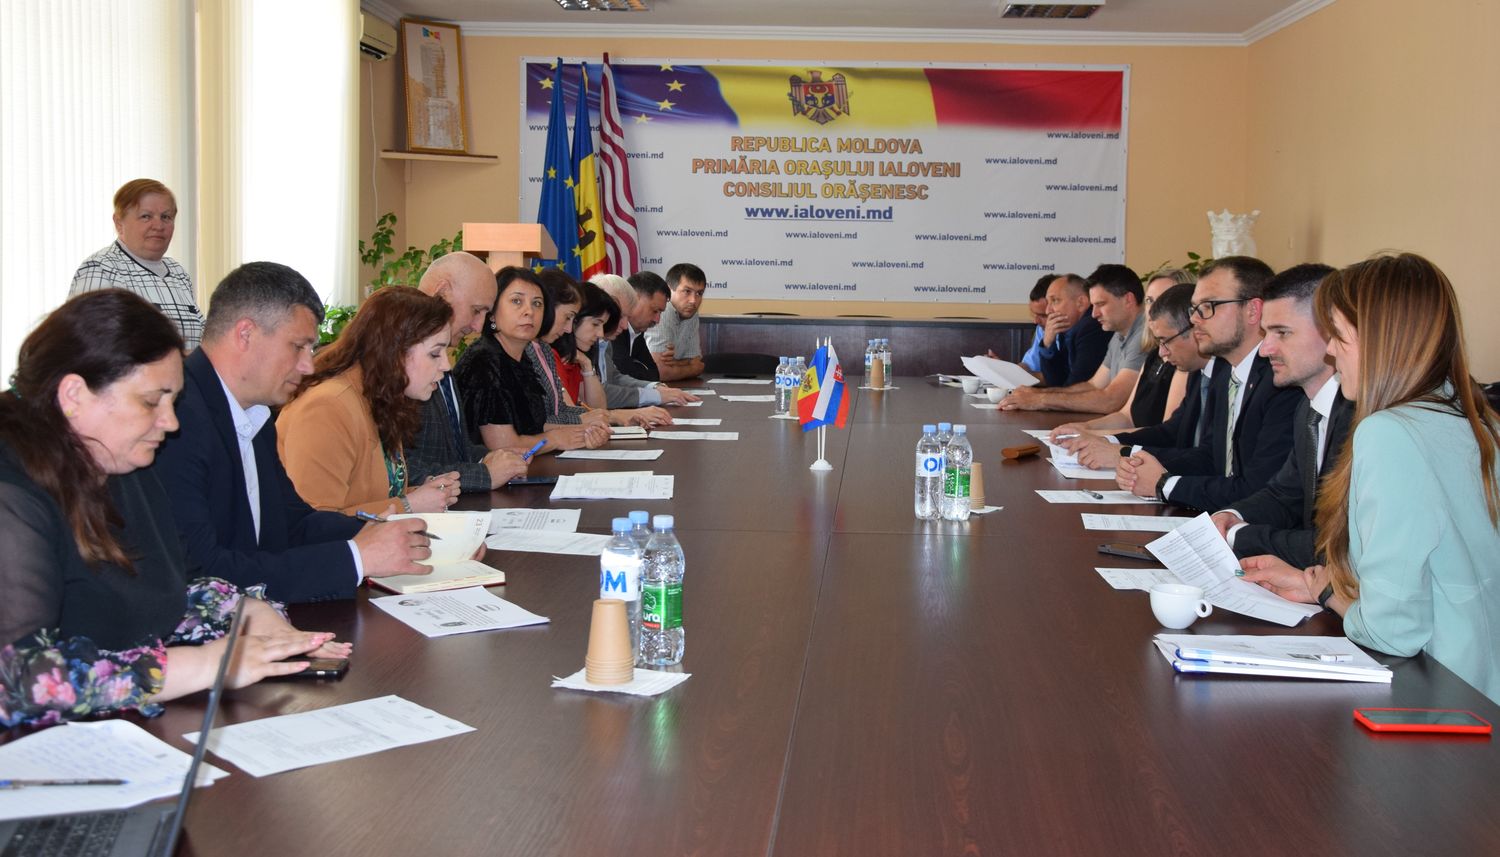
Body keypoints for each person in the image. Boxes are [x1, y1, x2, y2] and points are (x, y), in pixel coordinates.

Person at [0, 290, 346, 727]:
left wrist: (244, 613)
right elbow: (18, 681)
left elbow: (170, 589)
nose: (171, 422)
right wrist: (203, 664)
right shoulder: (11, 495)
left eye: (174, 401)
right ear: (74, 394)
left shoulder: (124, 464)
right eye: (151, 401)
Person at [1242, 253, 1500, 705]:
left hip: (1436, 695)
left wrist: (1327, 592)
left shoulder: (1390, 433)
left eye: (1338, 336)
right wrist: (1313, 584)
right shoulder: (1475, 419)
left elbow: (1392, 630)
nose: (1331, 351)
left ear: (1381, 340)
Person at [154, 262, 433, 604]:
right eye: (298, 346)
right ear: (245, 334)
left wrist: (389, 535)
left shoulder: (254, 412)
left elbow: (293, 524)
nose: (308, 365)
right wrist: (357, 557)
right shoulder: (176, 417)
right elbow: (202, 574)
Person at [1117, 257, 1300, 510]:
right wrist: (1137, 461)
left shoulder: (1282, 383)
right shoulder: (1226, 373)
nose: (1194, 319)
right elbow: (1211, 457)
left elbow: (1257, 489)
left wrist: (1164, 484)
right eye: (1195, 308)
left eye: (1208, 306)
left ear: (1252, 310)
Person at [1211, 264, 1352, 568]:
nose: (1265, 349)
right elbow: (1284, 495)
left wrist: (1238, 535)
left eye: (1282, 333)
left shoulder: (1361, 419)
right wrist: (1231, 516)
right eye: (1265, 333)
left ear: (1330, 332)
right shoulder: (1307, 410)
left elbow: (1339, 545)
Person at [277, 287, 464, 515]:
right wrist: (409, 505)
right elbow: (315, 520)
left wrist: (422, 494)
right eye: (435, 353)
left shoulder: (380, 399)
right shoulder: (327, 407)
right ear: (394, 352)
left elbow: (371, 497)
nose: (446, 365)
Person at [451, 268, 610, 454]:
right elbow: (504, 447)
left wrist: (584, 433)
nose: (529, 311)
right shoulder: (484, 361)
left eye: (537, 303)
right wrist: (555, 439)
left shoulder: (522, 360)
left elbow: (536, 426)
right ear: (492, 312)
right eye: (517, 301)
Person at [409, 252, 529, 492]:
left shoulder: (443, 364)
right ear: (442, 293)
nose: (478, 326)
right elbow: (400, 473)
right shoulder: (398, 364)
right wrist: (485, 474)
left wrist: (493, 458)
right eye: (476, 310)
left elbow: (456, 449)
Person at [1063, 283, 1211, 471]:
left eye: (1165, 341)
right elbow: (1170, 431)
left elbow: (1205, 458)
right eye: (1149, 300)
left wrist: (1121, 453)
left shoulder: (1203, 371)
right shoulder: (1197, 372)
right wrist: (1107, 440)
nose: (1163, 353)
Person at [1046, 272, 1190, 442]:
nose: (1153, 309)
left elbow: (1166, 434)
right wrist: (1084, 427)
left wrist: (1095, 436)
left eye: (1162, 301)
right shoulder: (1153, 355)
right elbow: (1126, 416)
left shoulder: (1185, 364)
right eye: (1149, 300)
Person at [70, 179, 204, 349]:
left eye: (166, 217)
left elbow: (203, 336)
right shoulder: (100, 269)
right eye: (146, 216)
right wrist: (177, 359)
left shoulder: (178, 273)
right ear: (119, 223)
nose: (158, 226)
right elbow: (91, 346)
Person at [1000, 264, 1146, 414]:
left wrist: (1040, 400)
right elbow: (1093, 385)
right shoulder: (1118, 333)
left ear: (1128, 300)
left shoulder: (1144, 335)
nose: (1094, 314)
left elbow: (1111, 401)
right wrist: (1037, 394)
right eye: (1093, 306)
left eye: (1101, 304)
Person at [534, 272, 672, 430]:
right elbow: (566, 418)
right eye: (595, 324)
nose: (600, 333)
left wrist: (587, 366)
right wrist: (615, 416)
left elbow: (595, 407)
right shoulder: (548, 352)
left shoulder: (576, 355)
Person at [590, 274, 700, 408]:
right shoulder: (594, 341)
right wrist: (655, 395)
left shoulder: (606, 341)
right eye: (620, 316)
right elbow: (601, 393)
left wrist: (655, 387)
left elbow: (648, 374)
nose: (624, 325)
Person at [1028, 273, 1112, 389]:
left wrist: (1038, 397)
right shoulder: (1067, 327)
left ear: (1081, 303)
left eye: (1055, 300)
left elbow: (1076, 386)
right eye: (1048, 302)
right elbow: (1056, 381)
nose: (1048, 310)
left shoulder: (1091, 327)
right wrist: (1047, 344)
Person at [647, 263, 708, 381]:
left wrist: (675, 363)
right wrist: (691, 367)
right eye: (687, 291)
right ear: (669, 290)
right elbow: (660, 372)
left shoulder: (692, 313)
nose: (693, 301)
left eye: (699, 293)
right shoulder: (662, 313)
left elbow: (697, 361)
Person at [614, 271, 669, 381]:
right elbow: (623, 373)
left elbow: (654, 374)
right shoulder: (613, 330)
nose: (657, 320)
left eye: (660, 313)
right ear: (634, 299)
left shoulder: (637, 332)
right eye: (654, 311)